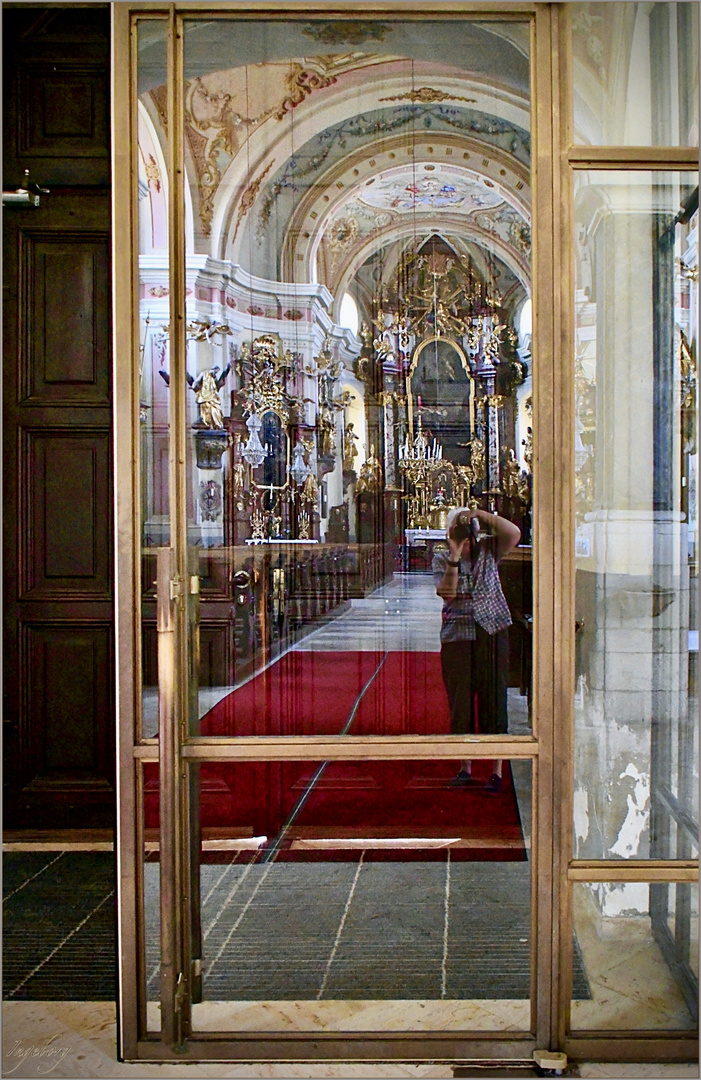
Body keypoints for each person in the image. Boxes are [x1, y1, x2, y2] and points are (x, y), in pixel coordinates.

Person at [433, 506, 521, 793]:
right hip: (458, 636)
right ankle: (465, 768)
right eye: (457, 531)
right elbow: (447, 593)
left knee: (494, 701)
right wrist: (455, 554)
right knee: (460, 705)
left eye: (467, 532)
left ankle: (496, 772)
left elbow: (513, 533)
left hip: (492, 631)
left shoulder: (490, 550)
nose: (466, 537)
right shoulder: (441, 557)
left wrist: (480, 515)